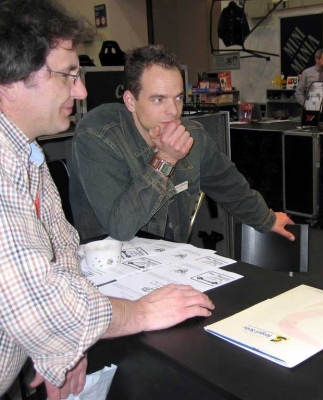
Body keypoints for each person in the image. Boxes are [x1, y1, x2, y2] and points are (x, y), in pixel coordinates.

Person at [0, 0, 214, 397]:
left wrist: (66, 344)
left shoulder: (27, 153)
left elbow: (62, 247)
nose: (81, 90)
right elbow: (41, 306)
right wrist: (142, 312)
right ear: (12, 79)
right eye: (68, 75)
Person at [69, 45, 294, 243]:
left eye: (178, 97)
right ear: (130, 101)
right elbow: (121, 228)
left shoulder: (191, 135)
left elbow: (227, 184)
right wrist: (165, 159)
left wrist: (266, 220)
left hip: (170, 260)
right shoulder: (98, 136)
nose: (173, 111)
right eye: (159, 99)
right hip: (111, 264)